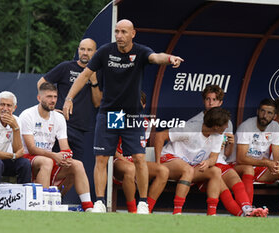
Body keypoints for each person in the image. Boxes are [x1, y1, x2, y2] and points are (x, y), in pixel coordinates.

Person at [63, 19, 184, 214]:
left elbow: (155, 57)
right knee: (101, 158)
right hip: (109, 113)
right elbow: (85, 75)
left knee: (138, 157)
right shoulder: (104, 51)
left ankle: (142, 203)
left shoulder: (141, 51)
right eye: (117, 31)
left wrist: (169, 58)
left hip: (131, 114)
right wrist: (69, 98)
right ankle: (100, 202)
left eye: (124, 32)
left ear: (133, 34)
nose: (119, 36)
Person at [189, 85, 267, 216]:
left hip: (220, 161)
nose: (211, 103)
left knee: (235, 179)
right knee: (222, 187)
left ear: (220, 102)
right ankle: (244, 214)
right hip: (203, 163)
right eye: (208, 99)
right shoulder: (195, 122)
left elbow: (226, 154)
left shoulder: (226, 122)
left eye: (214, 100)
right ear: (204, 101)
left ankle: (247, 209)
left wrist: (231, 144)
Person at [20, 82, 93, 211]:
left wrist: (66, 156)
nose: (53, 100)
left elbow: (65, 147)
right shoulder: (27, 115)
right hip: (27, 158)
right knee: (47, 161)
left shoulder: (58, 118)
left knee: (77, 164)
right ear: (39, 98)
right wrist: (55, 156)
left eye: (55, 97)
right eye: (49, 97)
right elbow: (31, 148)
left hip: (48, 157)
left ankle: (88, 207)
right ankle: (41, 204)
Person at [155, 107, 230, 216]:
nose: (227, 127)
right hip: (169, 159)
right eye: (225, 124)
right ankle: (177, 212)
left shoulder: (218, 135)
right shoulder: (191, 128)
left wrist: (208, 162)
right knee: (188, 170)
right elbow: (160, 136)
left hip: (189, 166)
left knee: (216, 171)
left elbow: (214, 157)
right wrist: (158, 164)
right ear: (216, 126)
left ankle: (212, 214)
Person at [37, 38, 102, 162]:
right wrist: (49, 108)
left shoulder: (99, 73)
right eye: (82, 49)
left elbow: (97, 102)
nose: (85, 52)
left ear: (95, 52)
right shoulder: (66, 67)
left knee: (75, 166)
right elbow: (42, 83)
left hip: (81, 128)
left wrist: (94, 81)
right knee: (55, 162)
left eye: (89, 50)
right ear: (78, 50)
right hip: (61, 124)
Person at [232, 98, 279, 218]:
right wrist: (267, 163)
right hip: (238, 167)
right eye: (262, 111)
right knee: (248, 168)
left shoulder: (275, 127)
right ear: (257, 111)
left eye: (269, 113)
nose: (265, 115)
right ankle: (248, 211)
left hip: (259, 167)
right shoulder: (247, 126)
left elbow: (277, 156)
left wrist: (276, 165)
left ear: (275, 116)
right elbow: (241, 158)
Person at [113, 91, 169, 213]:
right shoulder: (117, 118)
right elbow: (111, 147)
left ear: (143, 106)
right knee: (130, 169)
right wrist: (129, 163)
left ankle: (146, 209)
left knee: (163, 171)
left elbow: (140, 149)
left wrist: (139, 164)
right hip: (118, 161)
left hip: (135, 161)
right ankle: (132, 210)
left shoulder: (146, 123)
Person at [0, 91, 31, 186]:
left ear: (14, 108)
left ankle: (24, 197)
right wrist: (12, 156)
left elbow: (18, 151)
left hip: (4, 158)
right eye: (2, 104)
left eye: (9, 105)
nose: (5, 109)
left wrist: (15, 128)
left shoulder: (16, 120)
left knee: (24, 163)